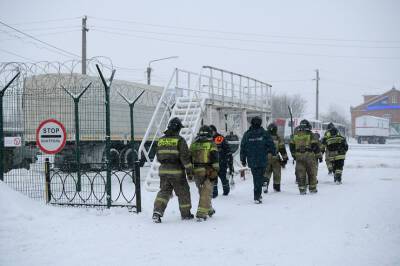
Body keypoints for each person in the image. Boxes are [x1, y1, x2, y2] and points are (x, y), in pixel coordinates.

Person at [152, 117, 194, 223]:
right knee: (183, 192)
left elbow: (158, 156)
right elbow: (185, 158)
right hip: (177, 172)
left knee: (164, 192)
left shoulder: (161, 140)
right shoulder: (180, 140)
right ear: (177, 129)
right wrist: (189, 172)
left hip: (163, 171)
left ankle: (157, 212)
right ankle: (186, 214)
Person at [240, 116, 276, 203]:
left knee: (256, 177)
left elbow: (243, 147)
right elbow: (271, 144)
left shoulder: (247, 134)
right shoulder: (264, 133)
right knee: (259, 177)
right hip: (262, 159)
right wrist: (273, 152)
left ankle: (258, 193)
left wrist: (243, 159)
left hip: (252, 160)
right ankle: (258, 195)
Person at [190, 125, 220, 221]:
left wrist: (190, 172)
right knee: (206, 192)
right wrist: (216, 170)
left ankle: (209, 209)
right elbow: (215, 158)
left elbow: (189, 158)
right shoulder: (211, 144)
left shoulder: (193, 144)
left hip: (196, 171)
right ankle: (201, 213)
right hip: (208, 170)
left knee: (202, 191)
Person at [289, 119, 320, 195]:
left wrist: (294, 155)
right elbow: (315, 145)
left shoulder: (295, 135)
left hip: (299, 156)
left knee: (300, 173)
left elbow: (291, 146)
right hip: (309, 156)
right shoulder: (310, 134)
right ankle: (312, 189)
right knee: (311, 172)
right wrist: (318, 155)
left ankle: (302, 189)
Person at [209, 125, 234, 198]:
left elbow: (227, 149)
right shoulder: (208, 139)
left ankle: (226, 190)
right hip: (212, 162)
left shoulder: (219, 138)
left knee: (223, 177)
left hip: (221, 161)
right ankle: (214, 193)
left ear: (215, 131)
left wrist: (229, 158)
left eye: (212, 131)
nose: (211, 133)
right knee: (213, 178)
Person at [264, 123, 288, 193]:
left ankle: (265, 184)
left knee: (266, 172)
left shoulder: (264, 137)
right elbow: (282, 149)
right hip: (275, 157)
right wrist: (285, 159)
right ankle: (276, 187)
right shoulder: (278, 138)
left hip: (266, 157)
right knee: (277, 173)